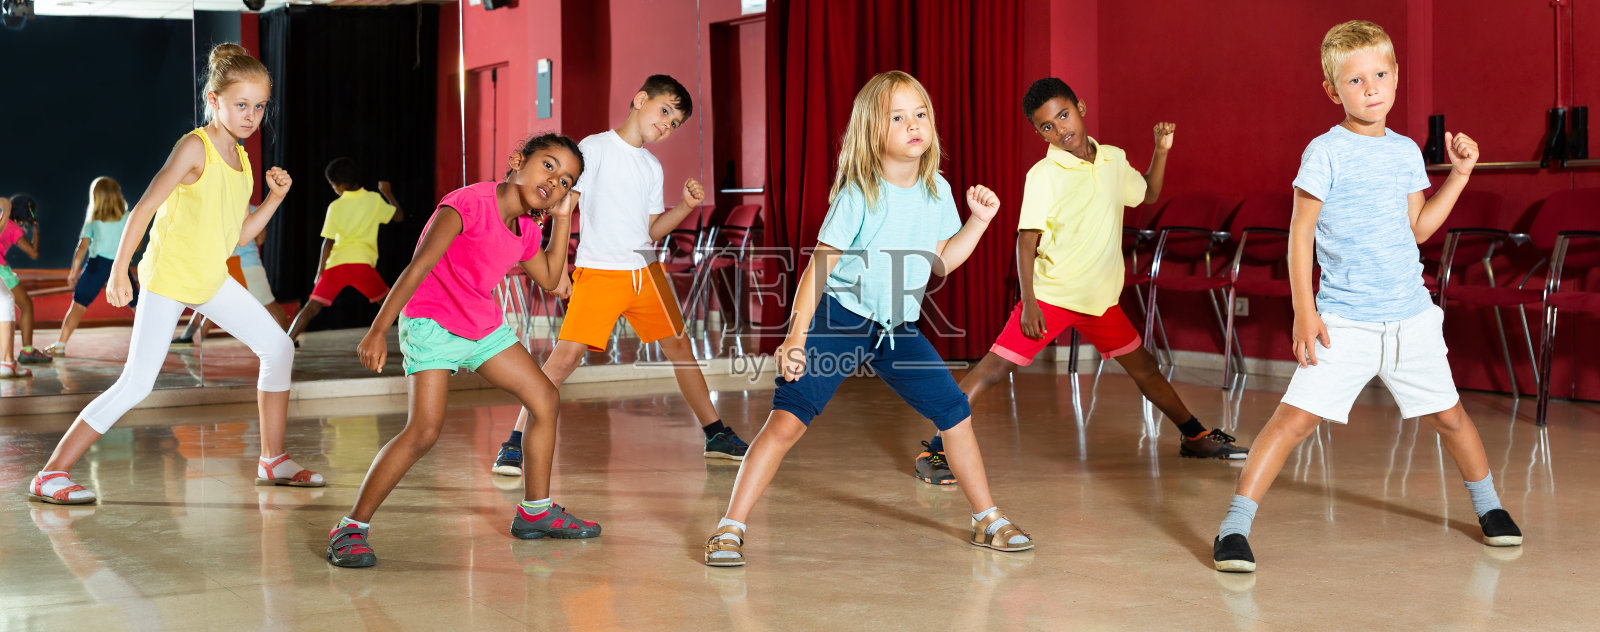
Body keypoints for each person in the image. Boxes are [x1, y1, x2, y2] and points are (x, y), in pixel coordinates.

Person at [1212, 20, 1521, 573]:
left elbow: (1420, 228)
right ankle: (1234, 527)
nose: (1371, 88)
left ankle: (1490, 507)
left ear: (1396, 78)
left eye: (1380, 74)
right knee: (1293, 421)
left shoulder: (1405, 152)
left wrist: (1460, 175)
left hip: (1409, 318)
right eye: (1356, 81)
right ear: (1334, 91)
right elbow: (1300, 233)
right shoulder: (1324, 151)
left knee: (1451, 418)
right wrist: (1304, 313)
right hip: (1345, 320)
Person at [702, 71, 1032, 567]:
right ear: (873, 132)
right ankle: (730, 526)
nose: (912, 125)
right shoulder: (861, 191)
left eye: (919, 114)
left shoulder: (937, 189)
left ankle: (987, 518)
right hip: (841, 318)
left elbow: (941, 259)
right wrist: (796, 335)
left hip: (898, 330)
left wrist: (979, 223)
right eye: (897, 118)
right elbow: (821, 264)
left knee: (955, 414)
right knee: (786, 422)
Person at [912, 77, 1247, 486]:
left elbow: (1148, 193)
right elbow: (1026, 240)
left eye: (1064, 115)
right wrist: (1030, 303)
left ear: (1080, 107)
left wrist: (1160, 152)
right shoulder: (1044, 174)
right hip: (1052, 297)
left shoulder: (1112, 159)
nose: (1060, 129)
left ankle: (1194, 436)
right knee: (994, 368)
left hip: (1100, 301)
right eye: (1047, 126)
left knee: (1147, 370)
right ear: (1039, 133)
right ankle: (934, 448)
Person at [26, 43, 315, 506]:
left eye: (260, 106)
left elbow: (239, 232)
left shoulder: (241, 161)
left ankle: (272, 458)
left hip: (210, 277)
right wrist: (120, 269)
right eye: (241, 105)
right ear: (214, 100)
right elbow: (142, 209)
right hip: (168, 277)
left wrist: (275, 198)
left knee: (278, 346)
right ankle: (51, 473)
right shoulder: (193, 148)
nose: (252, 115)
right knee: (138, 382)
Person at [326, 133, 589, 568]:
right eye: (549, 166)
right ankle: (351, 527)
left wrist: (562, 219)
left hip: (480, 323)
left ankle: (535, 512)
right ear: (517, 160)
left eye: (566, 181)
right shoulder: (468, 203)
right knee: (424, 432)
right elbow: (421, 264)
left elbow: (549, 277)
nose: (555, 181)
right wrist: (378, 329)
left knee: (544, 398)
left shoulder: (526, 229)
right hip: (431, 320)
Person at [492, 74, 747, 477]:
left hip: (647, 272)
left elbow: (650, 231)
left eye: (674, 123)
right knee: (564, 360)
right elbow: (564, 206)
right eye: (664, 111)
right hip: (599, 274)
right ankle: (514, 442)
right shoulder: (594, 149)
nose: (666, 125)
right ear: (640, 99)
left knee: (682, 352)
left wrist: (683, 206)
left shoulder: (652, 166)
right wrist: (557, 270)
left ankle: (716, 434)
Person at [285, 158, 402, 343]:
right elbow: (399, 216)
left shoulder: (336, 206)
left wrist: (320, 272)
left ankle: (286, 343)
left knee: (311, 308)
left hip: (337, 265)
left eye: (333, 185)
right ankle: (421, 339)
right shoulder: (373, 199)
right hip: (362, 265)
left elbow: (328, 243)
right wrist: (388, 193)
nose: (334, 189)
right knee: (390, 305)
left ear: (341, 184)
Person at [47, 177, 138, 357]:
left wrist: (73, 272)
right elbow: (137, 242)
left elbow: (82, 248)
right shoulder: (128, 217)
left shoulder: (93, 220)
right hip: (120, 265)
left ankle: (60, 345)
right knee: (136, 305)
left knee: (78, 306)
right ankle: (155, 340)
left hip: (97, 265)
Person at [0, 195, 39, 378]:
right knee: (26, 305)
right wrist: (35, 230)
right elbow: (33, 253)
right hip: (2, 270)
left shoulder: (2, 219)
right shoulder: (14, 228)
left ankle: (8, 360)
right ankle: (27, 351)